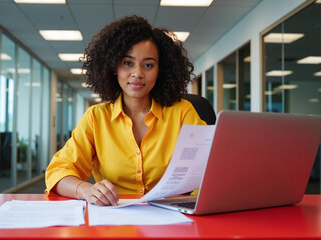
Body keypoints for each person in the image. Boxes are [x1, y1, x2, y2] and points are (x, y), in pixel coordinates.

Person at [45, 15, 206, 206]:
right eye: (128, 63)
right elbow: (58, 171)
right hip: (113, 217)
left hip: (172, 217)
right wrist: (87, 190)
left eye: (148, 65)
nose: (137, 73)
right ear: (114, 67)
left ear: (160, 70)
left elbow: (208, 168)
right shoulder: (96, 117)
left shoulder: (183, 113)